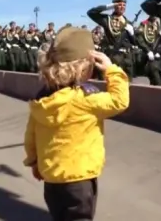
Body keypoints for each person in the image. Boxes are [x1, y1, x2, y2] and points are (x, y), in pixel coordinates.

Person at [23, 27, 130, 221]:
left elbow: (31, 136)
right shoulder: (85, 100)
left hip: (52, 180)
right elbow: (119, 100)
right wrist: (111, 70)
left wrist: (34, 162)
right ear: (82, 69)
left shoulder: (42, 101)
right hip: (79, 182)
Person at [86, 0, 136, 80]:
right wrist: (109, 6)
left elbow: (134, 42)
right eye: (119, 5)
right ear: (115, 6)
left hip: (127, 59)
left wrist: (132, 34)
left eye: (124, 5)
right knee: (112, 82)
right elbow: (91, 13)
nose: (122, 7)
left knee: (128, 86)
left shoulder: (128, 23)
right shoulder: (107, 19)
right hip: (114, 57)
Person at [135, 16, 161, 85]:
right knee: (155, 78)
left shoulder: (159, 25)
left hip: (158, 55)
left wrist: (159, 51)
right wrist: (148, 51)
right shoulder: (144, 24)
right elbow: (139, 38)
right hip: (148, 54)